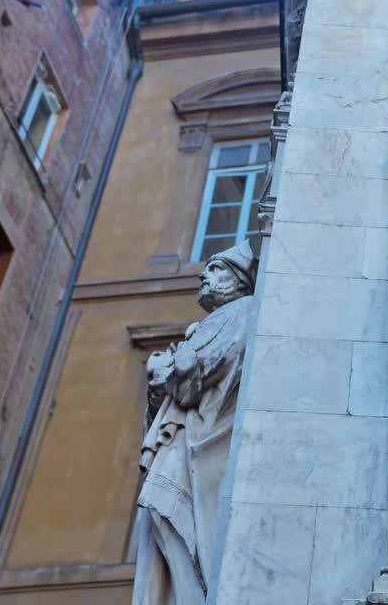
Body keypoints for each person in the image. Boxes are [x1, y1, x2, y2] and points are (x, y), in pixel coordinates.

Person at [132, 240, 256, 605]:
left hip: (206, 437)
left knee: (170, 512)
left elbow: (207, 369)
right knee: (161, 513)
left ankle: (196, 596)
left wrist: (170, 366)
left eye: (218, 269)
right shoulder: (205, 325)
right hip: (186, 435)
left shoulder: (247, 311)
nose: (204, 274)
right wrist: (164, 374)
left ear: (240, 280)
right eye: (208, 268)